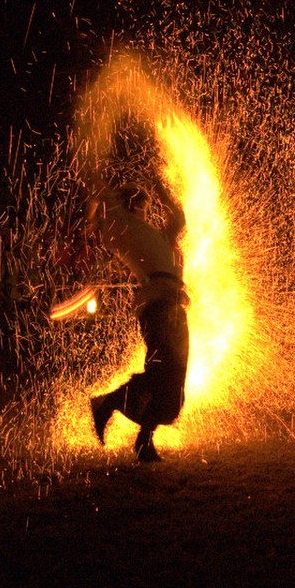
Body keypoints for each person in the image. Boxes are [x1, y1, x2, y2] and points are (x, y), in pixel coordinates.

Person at [88, 175, 189, 463]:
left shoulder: (150, 235)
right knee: (163, 373)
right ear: (127, 203)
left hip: (171, 304)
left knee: (173, 383)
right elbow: (98, 190)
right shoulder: (121, 228)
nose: (145, 202)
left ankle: (143, 439)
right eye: (139, 198)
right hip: (157, 306)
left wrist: (162, 191)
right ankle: (109, 404)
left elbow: (178, 220)